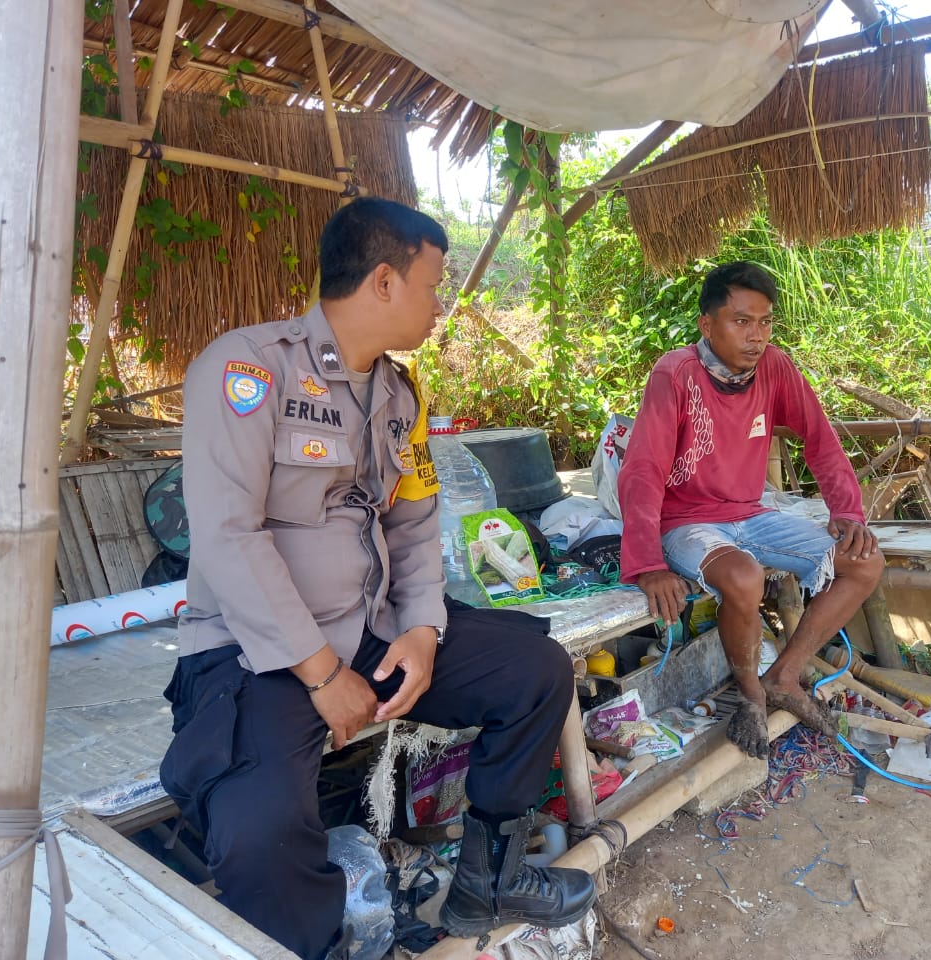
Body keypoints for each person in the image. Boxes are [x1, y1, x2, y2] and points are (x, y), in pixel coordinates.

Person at [160, 197, 594, 960]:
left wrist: (422, 629)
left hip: (374, 631)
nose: (439, 304)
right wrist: (323, 673)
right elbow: (228, 537)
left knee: (536, 669)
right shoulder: (247, 367)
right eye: (433, 285)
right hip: (258, 651)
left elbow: (414, 525)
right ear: (385, 281)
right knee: (257, 831)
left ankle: (488, 880)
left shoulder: (399, 395)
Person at [618, 261, 884, 759]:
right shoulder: (676, 373)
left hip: (751, 514)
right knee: (743, 577)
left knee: (864, 561)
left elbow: (820, 439)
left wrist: (849, 512)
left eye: (764, 322)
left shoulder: (775, 367)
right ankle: (751, 696)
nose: (756, 335)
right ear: (707, 324)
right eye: (741, 321)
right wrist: (647, 564)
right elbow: (643, 469)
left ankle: (783, 676)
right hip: (686, 522)